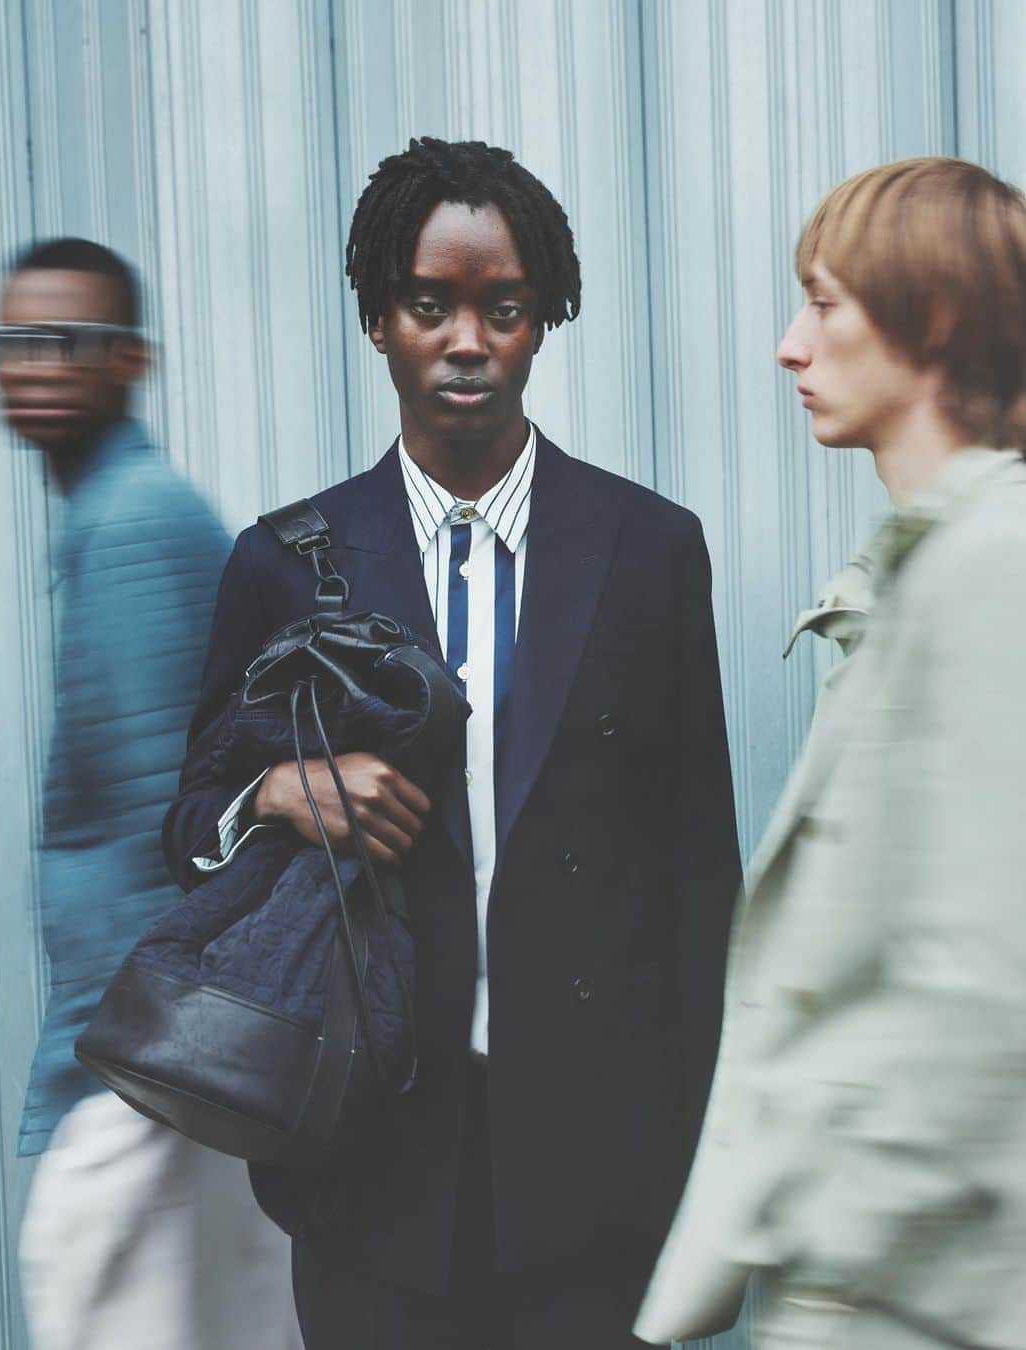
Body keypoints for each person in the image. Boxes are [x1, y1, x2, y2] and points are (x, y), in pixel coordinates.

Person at [164, 137, 741, 1349]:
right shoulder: (289, 560)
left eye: (506, 308)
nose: (468, 340)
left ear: (544, 322)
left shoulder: (650, 551)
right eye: (432, 305)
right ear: (380, 317)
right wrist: (279, 789)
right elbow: (191, 823)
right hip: (369, 1167)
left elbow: (702, 876)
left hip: (600, 1165)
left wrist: (709, 1157)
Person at [635, 157, 1026, 1349]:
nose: (788, 346)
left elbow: (988, 983)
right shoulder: (918, 571)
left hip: (909, 1298)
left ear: (938, 318)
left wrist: (840, 1254)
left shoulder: (990, 567)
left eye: (824, 302)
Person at [1, 238, 299, 1350]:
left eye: (63, 341)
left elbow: (158, 816)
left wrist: (125, 1070)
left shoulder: (130, 524)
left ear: (131, 360)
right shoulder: (121, 510)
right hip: (178, 1052)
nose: (32, 366)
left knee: (95, 1291)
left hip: (150, 1056)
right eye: (12, 343)